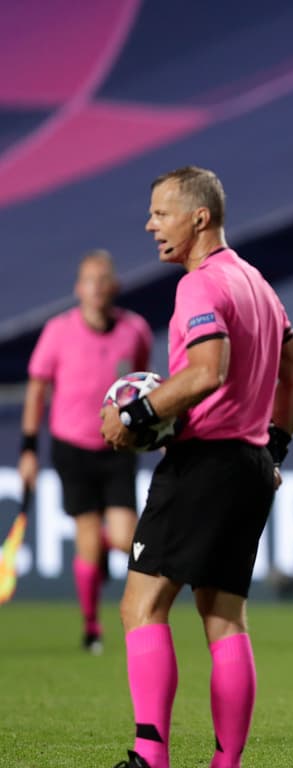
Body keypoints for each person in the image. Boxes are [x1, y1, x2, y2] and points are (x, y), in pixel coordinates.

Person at [73, 166, 293, 768]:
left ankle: (151, 766)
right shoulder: (257, 284)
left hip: (204, 461)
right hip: (250, 465)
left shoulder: (201, 286)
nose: (151, 225)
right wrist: (276, 447)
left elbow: (207, 371)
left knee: (140, 607)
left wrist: (135, 414)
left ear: (199, 217)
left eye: (162, 212)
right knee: (225, 619)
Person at [19, 250, 152, 654]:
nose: (96, 288)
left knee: (126, 537)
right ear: (79, 289)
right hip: (72, 445)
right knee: (89, 543)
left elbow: (140, 383)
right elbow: (38, 388)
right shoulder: (58, 332)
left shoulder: (135, 331)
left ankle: (104, 576)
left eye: (102, 279)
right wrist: (29, 448)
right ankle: (92, 626)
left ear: (114, 286)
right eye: (88, 280)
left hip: (118, 446)